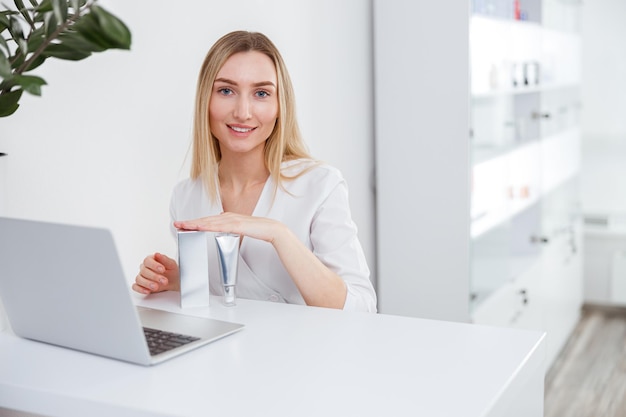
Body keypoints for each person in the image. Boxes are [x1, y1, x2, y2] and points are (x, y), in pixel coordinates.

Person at [132, 30, 377, 312]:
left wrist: (278, 234)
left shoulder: (320, 185)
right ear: (205, 101)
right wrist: (177, 284)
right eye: (226, 90)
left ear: (279, 106)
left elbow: (361, 309)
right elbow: (225, 308)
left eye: (261, 93)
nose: (243, 112)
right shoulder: (186, 195)